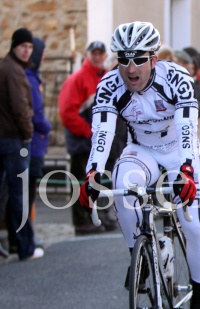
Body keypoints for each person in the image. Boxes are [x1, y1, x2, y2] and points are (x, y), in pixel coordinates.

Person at [78, 21, 200, 309]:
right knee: (124, 191)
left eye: (138, 59)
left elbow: (188, 130)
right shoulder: (109, 85)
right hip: (142, 149)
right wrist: (93, 172)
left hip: (179, 149)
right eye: (123, 59)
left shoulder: (177, 79)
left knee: (193, 224)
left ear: (153, 59)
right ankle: (139, 258)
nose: (130, 67)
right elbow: (103, 132)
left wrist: (188, 170)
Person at [58, 40, 120, 235]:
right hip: (82, 142)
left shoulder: (103, 78)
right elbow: (67, 113)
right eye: (94, 52)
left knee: (97, 181)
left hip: (94, 140)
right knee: (80, 182)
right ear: (87, 54)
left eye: (101, 53)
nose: (97, 56)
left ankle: (96, 217)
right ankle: (81, 221)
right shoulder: (77, 79)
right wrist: (90, 132)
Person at [0, 28, 43, 261]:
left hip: (6, 137)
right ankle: (25, 246)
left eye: (30, 47)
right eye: (23, 46)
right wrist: (28, 133)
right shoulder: (14, 71)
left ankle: (16, 243)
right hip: (15, 139)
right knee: (19, 195)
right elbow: (20, 109)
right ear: (14, 46)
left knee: (7, 194)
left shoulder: (7, 67)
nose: (27, 51)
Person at [25, 37, 51, 237]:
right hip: (32, 144)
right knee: (27, 193)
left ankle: (27, 234)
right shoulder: (30, 79)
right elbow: (36, 113)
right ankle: (26, 236)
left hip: (35, 143)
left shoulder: (32, 77)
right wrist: (46, 127)